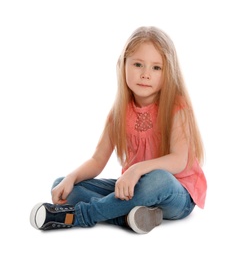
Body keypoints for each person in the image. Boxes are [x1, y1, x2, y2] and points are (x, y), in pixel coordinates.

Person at [30, 26, 207, 234]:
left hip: (175, 194)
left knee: (159, 179)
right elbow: (97, 160)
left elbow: (178, 161)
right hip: (134, 190)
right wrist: (71, 178)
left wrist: (136, 169)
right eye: (138, 64)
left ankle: (81, 215)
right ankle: (132, 217)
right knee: (62, 185)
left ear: (169, 72)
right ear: (123, 65)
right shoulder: (119, 112)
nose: (145, 74)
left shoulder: (177, 106)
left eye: (156, 68)